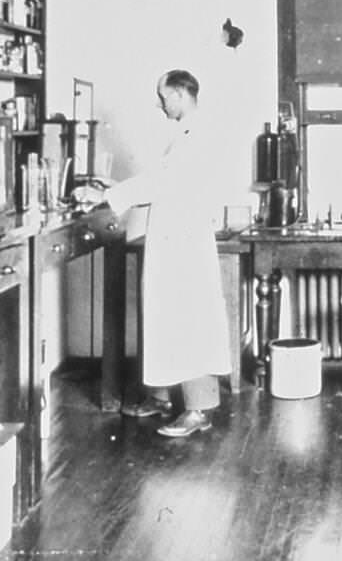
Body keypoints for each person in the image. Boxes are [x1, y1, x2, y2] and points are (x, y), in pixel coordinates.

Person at [78, 69, 231, 437]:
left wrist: (108, 196)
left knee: (190, 322)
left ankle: (198, 410)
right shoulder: (184, 133)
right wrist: (116, 188)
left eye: (163, 97)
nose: (159, 104)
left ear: (179, 94)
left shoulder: (198, 133)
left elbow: (164, 183)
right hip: (172, 239)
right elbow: (163, 181)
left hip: (186, 242)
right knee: (166, 318)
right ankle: (162, 397)